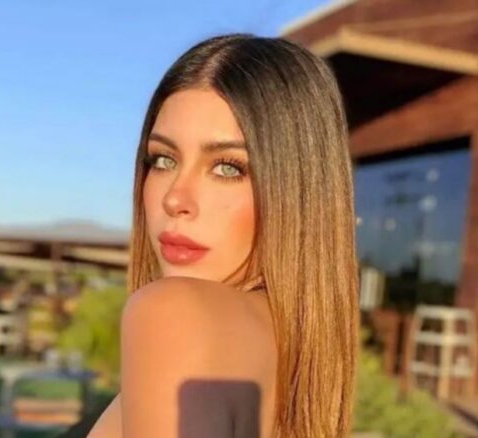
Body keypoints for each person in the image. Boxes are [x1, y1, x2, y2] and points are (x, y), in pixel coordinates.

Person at [88, 33, 359, 438]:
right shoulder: (286, 354)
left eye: (228, 168)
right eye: (162, 159)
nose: (175, 198)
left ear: (298, 192)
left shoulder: (174, 315)